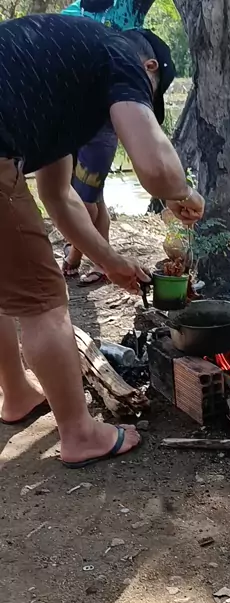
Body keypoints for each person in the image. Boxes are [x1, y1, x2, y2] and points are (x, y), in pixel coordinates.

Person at [0, 14, 204, 468]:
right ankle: (80, 434)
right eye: (146, 98)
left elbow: (58, 196)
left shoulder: (66, 78)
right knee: (43, 301)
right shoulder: (121, 55)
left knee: (8, 285)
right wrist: (184, 194)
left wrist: (110, 261)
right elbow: (156, 169)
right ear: (150, 68)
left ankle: (15, 393)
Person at [60, 0, 159, 285]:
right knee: (92, 196)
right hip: (71, 116)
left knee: (85, 201)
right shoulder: (70, 14)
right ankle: (99, 262)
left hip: (106, 121)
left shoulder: (129, 6)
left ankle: (77, 257)